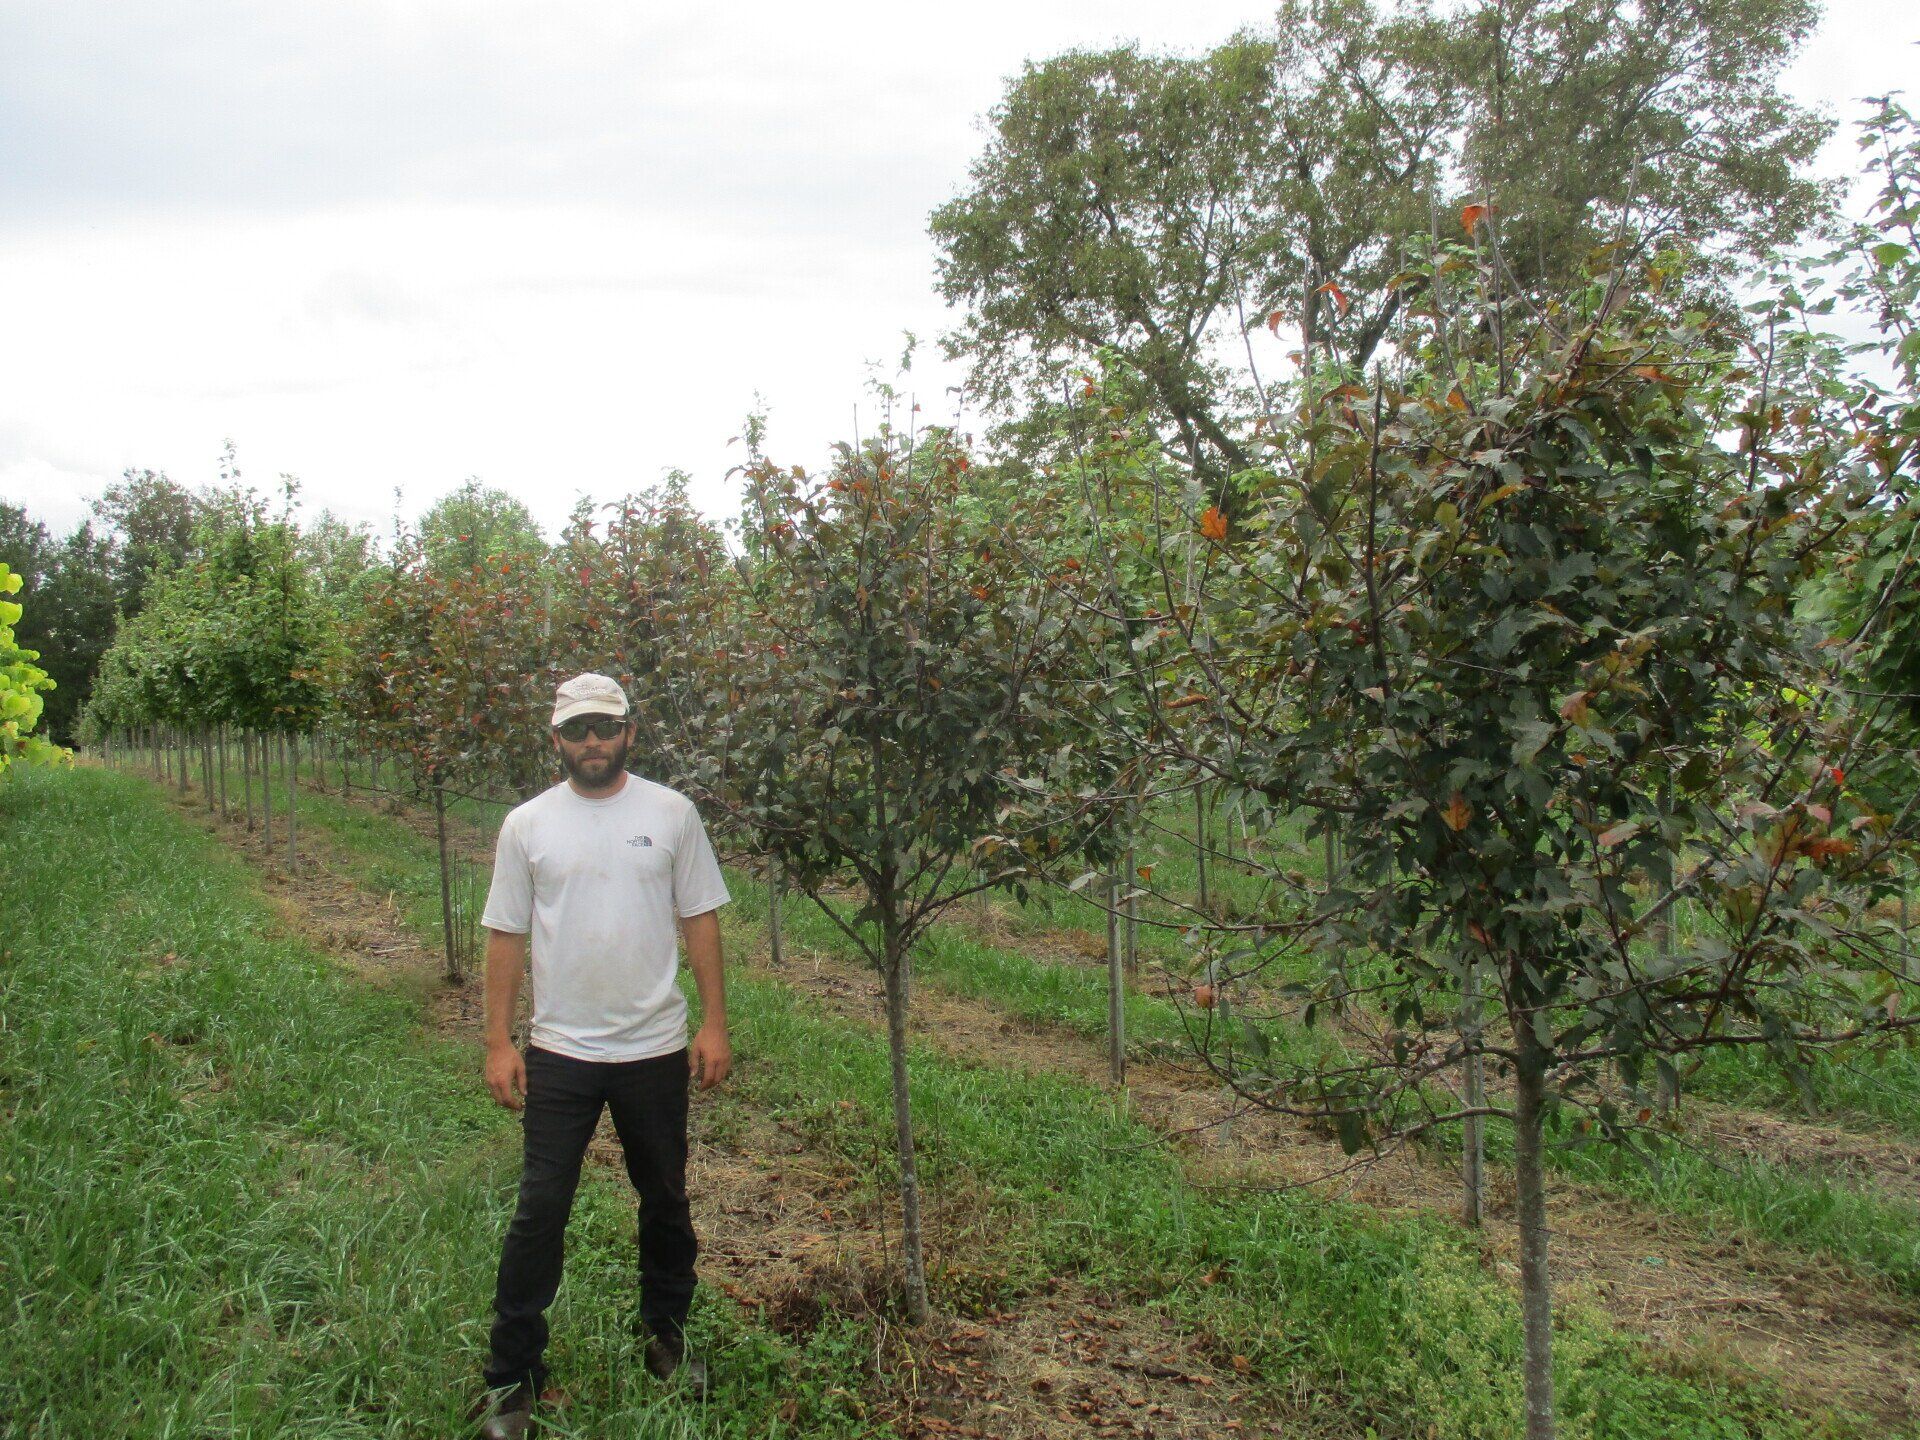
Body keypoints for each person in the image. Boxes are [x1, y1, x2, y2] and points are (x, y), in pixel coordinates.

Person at [470, 671, 732, 1440]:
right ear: (556, 738)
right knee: (540, 1209)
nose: (593, 741)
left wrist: (714, 1023)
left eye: (605, 727)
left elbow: (701, 918)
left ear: (629, 733)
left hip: (654, 1048)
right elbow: (506, 933)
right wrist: (497, 1041)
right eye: (578, 729)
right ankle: (513, 1376)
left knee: (666, 1199)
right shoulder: (527, 825)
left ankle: (666, 1335)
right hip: (561, 1053)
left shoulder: (672, 814)